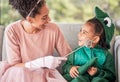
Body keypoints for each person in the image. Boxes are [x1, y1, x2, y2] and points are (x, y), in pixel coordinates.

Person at [0, 0, 72, 82]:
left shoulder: (53, 29)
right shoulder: (12, 30)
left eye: (48, 15)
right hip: (21, 74)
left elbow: (69, 56)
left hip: (45, 75)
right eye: (44, 17)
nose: (49, 19)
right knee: (20, 71)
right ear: (30, 20)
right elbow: (15, 65)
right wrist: (41, 62)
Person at [62, 6, 116, 82]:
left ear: (95, 39)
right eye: (80, 31)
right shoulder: (76, 52)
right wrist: (70, 68)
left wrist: (98, 72)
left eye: (84, 32)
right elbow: (65, 66)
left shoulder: (106, 55)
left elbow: (111, 76)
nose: (79, 34)